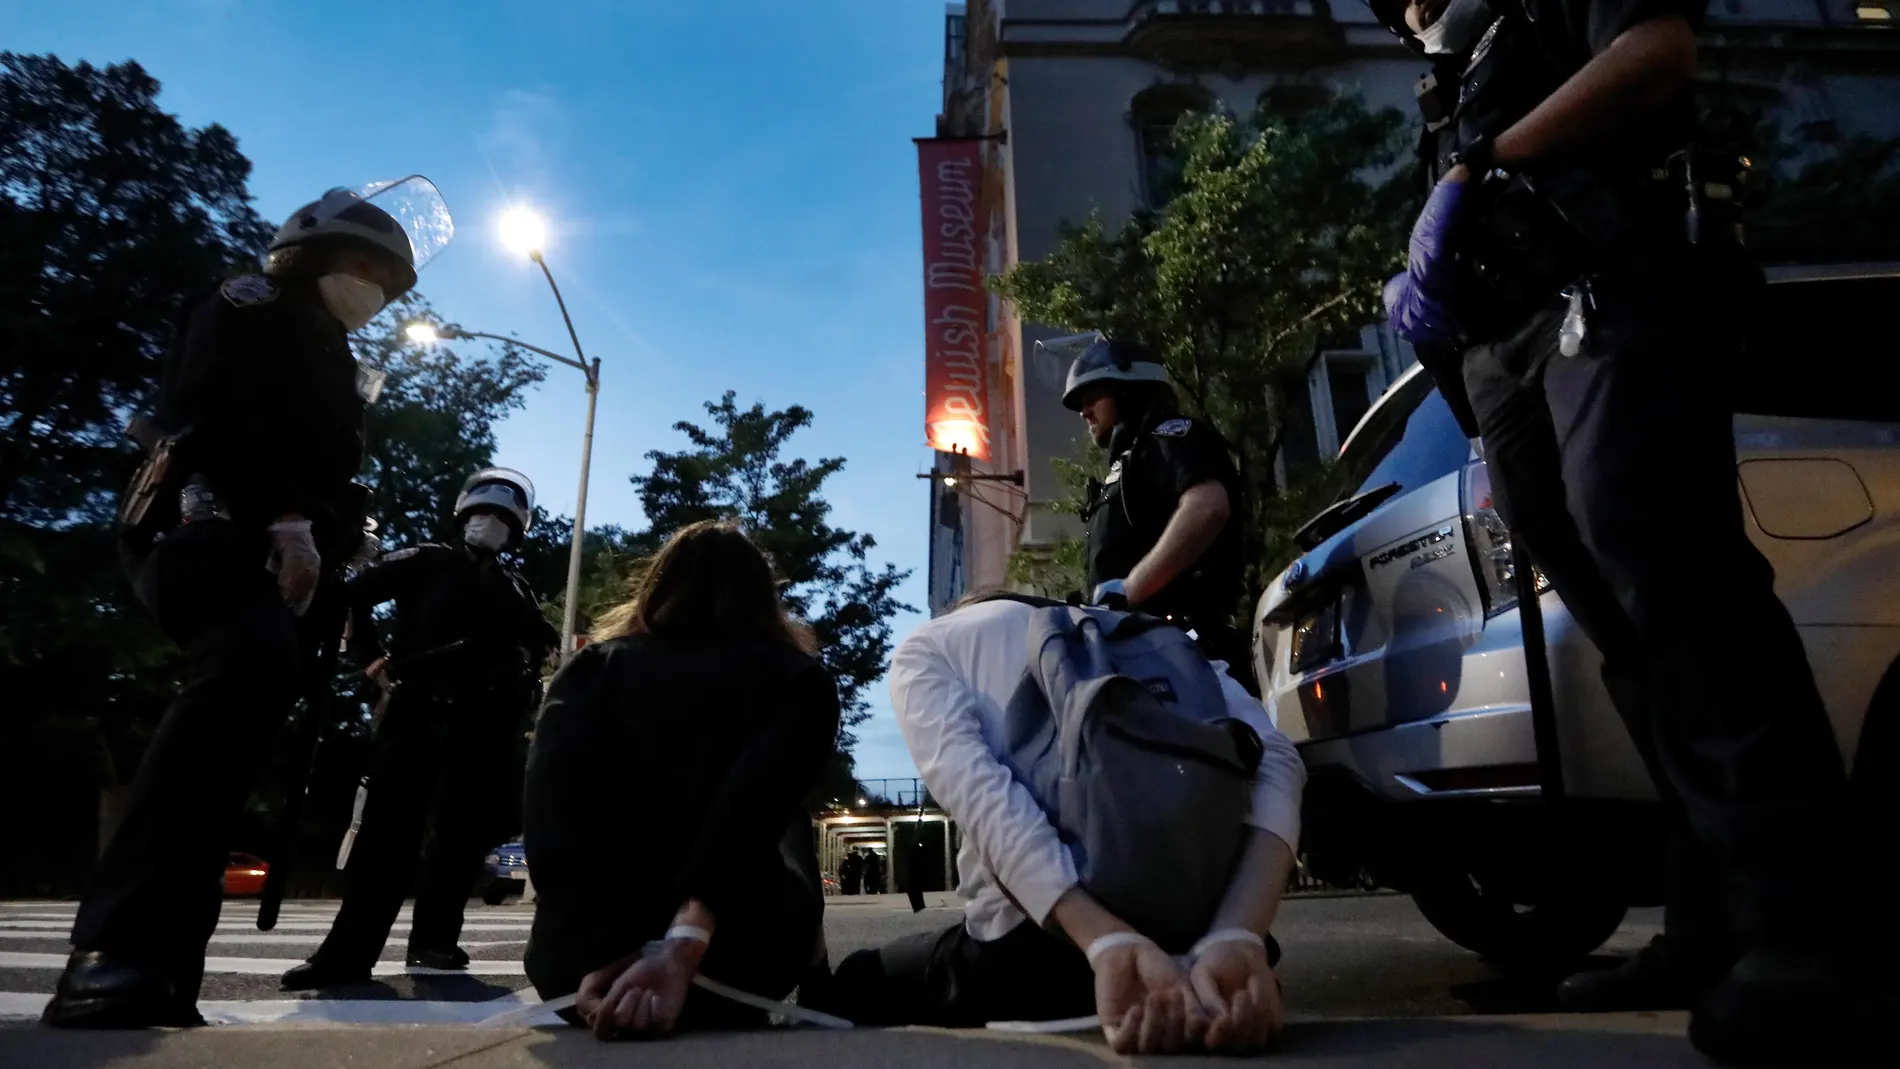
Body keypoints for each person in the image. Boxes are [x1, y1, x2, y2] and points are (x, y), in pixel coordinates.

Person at [1371, 0, 1878, 1058]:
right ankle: (1707, 925)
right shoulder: (1453, 63)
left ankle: (1808, 930)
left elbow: (1655, 53)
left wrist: (1480, 165)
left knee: (1676, 585)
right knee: (1623, 635)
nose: (1411, 8)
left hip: (1616, 288)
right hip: (1504, 339)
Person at [43, 185, 433, 1029]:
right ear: (314, 252)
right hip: (203, 531)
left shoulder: (331, 348)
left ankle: (163, 969)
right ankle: (109, 951)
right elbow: (220, 404)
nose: (375, 285)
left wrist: (335, 535)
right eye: (366, 264)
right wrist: (291, 514)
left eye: (388, 278)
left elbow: (322, 459)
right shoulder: (252, 300)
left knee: (241, 723)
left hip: (272, 563)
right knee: (244, 668)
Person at [816, 595, 1305, 1055]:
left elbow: (989, 802)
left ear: (966, 605)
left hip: (1036, 963)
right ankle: (1219, 972)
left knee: (859, 979)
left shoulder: (931, 646)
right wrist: (1239, 932)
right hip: (1205, 923)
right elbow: (1277, 757)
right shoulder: (1148, 635)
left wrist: (1105, 941)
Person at [521, 520, 841, 1038]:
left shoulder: (589, 670)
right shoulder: (798, 679)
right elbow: (748, 810)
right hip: (735, 967)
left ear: (656, 586)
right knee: (785, 821)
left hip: (578, 975)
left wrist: (600, 951)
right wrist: (679, 948)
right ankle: (817, 975)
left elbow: (551, 817)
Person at [281, 469, 559, 990]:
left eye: (502, 517)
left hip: (481, 726)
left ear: (516, 526)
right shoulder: (424, 560)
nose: (491, 524)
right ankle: (347, 952)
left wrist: (523, 680)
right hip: (414, 711)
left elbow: (539, 643)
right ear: (463, 514)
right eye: (484, 513)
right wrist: (369, 660)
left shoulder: (514, 590)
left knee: (459, 839)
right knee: (387, 835)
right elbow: (351, 595)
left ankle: (435, 941)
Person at [1064, 338, 1252, 692]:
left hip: (1187, 652)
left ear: (1127, 390)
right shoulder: (1132, 460)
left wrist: (1130, 589)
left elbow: (1208, 506)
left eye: (1092, 398)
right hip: (1150, 658)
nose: (1084, 412)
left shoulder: (1168, 436)